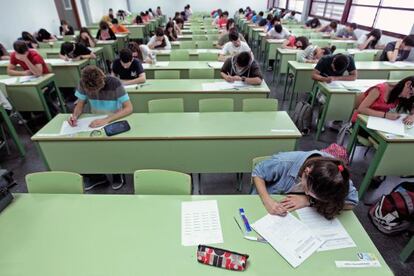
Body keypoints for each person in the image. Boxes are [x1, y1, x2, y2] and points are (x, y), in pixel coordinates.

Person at [68, 65, 133, 190]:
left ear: (103, 80)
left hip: (114, 118)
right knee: (88, 146)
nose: (95, 93)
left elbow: (129, 108)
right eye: (91, 92)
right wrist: (74, 116)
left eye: (97, 89)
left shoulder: (115, 83)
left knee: (113, 147)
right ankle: (97, 177)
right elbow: (80, 105)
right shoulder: (83, 83)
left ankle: (117, 172)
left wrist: (107, 119)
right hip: (94, 120)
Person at [252, 150, 358, 220]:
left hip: (298, 216)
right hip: (269, 204)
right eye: (307, 190)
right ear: (306, 172)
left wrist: (309, 200)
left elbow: (352, 202)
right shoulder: (284, 162)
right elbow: (258, 172)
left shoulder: (338, 178)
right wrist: (267, 200)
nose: (306, 193)